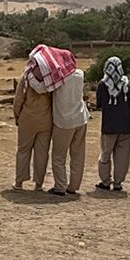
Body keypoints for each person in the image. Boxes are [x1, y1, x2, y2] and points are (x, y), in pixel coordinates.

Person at [13, 45, 63, 192]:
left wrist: (17, 116)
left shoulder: (26, 78)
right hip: (45, 121)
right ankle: (39, 184)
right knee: (42, 153)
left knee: (23, 150)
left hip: (27, 119)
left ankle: (19, 182)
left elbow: (18, 100)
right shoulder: (51, 81)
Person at [48, 53, 89, 195]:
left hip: (63, 122)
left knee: (58, 156)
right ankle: (73, 186)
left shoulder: (58, 77)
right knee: (78, 155)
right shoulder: (79, 74)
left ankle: (60, 186)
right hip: (80, 118)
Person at [93, 56, 130, 191]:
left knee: (106, 154)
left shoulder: (103, 84)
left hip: (109, 126)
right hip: (125, 126)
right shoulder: (128, 84)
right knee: (122, 157)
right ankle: (118, 183)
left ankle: (105, 181)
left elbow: (99, 104)